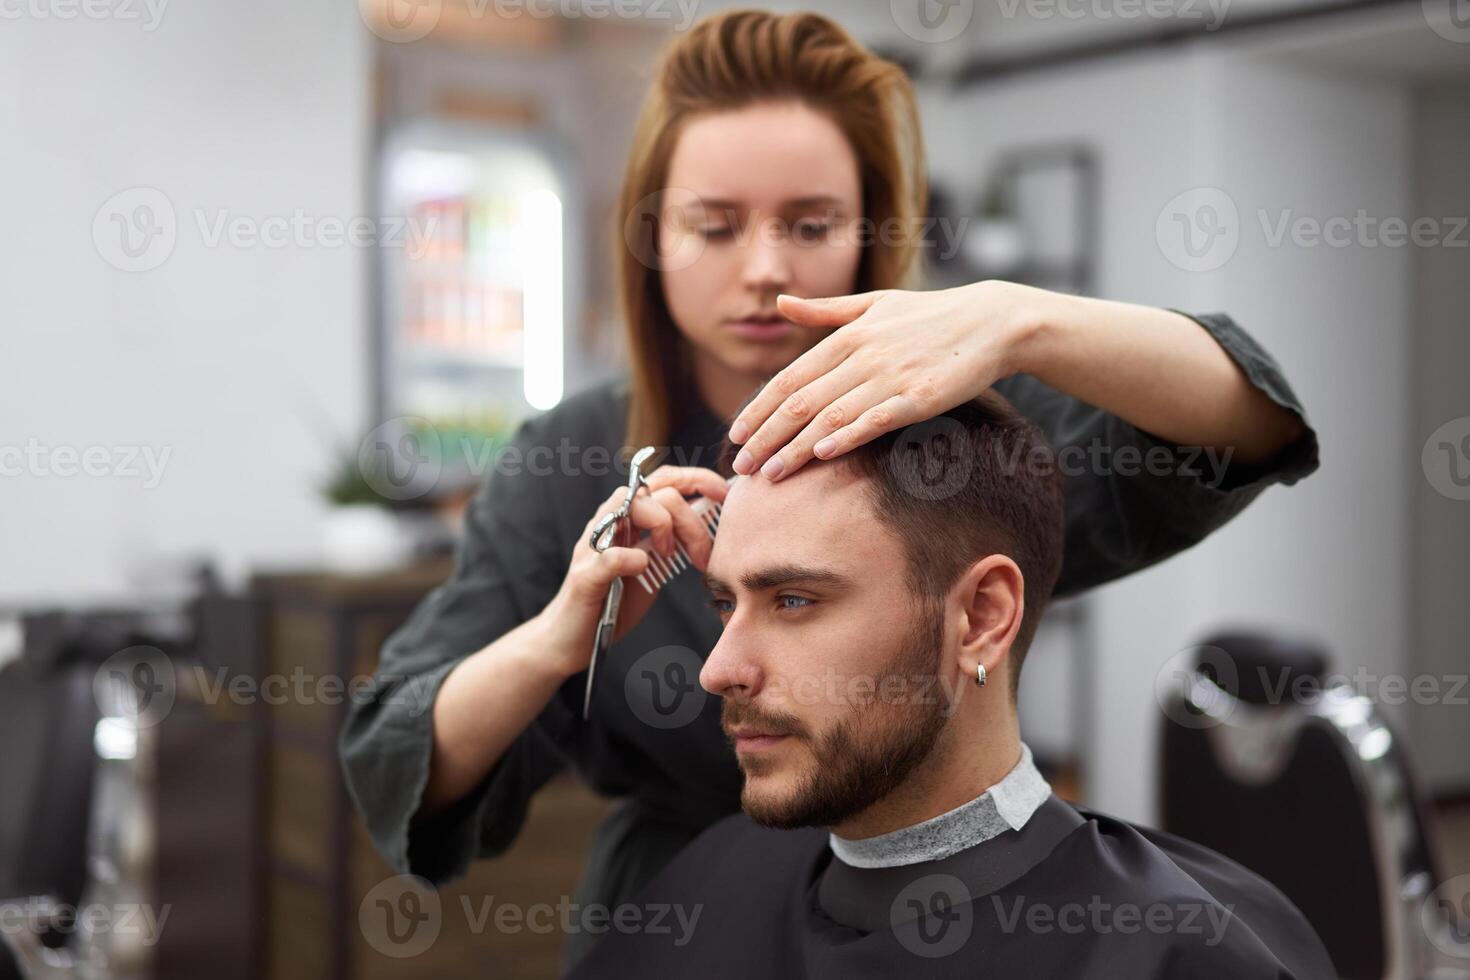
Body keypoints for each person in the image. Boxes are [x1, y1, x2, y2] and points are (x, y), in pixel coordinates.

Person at [338, 9, 1320, 970]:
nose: (765, 269)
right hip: (682, 923)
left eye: (810, 223)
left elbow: (1251, 421)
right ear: (651, 234)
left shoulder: (961, 422)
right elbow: (399, 758)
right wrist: (559, 633)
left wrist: (1021, 320)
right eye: (714, 225)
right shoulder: (572, 460)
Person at [563, 392, 1336, 979]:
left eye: (794, 600)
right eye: (727, 604)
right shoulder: (704, 887)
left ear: (979, 617)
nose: (717, 669)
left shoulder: (1182, 952)